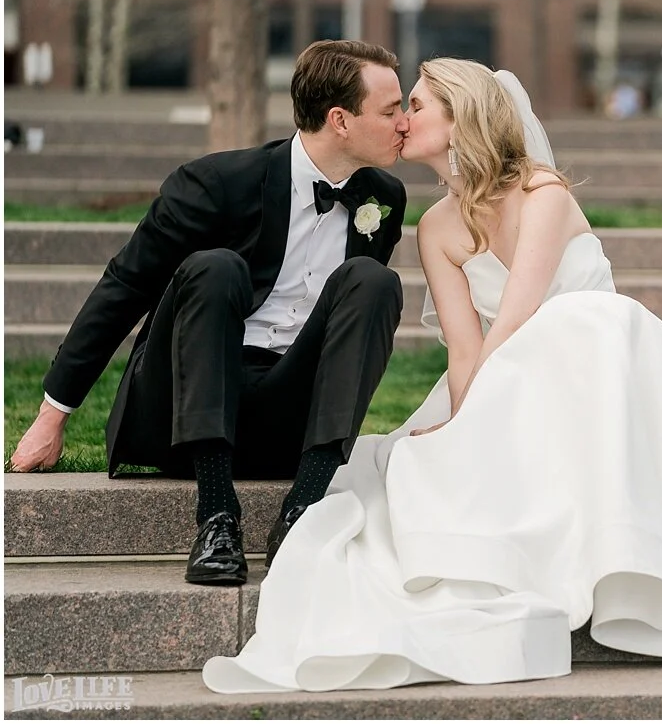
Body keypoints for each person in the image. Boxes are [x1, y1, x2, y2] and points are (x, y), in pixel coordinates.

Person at [201, 58, 662, 693]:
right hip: (510, 375)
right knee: (426, 456)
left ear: (460, 116)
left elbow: (518, 315)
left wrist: (482, 411)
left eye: (417, 105)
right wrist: (463, 423)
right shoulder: (436, 228)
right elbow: (465, 349)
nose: (402, 119)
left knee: (574, 324)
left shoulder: (541, 191)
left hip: (602, 369)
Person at [7, 40, 410, 587]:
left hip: (286, 418)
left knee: (374, 281)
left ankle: (302, 513)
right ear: (340, 120)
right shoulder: (219, 183)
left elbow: (350, 334)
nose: (404, 122)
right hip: (185, 410)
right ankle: (217, 517)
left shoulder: (383, 198)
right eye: (390, 110)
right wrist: (52, 415)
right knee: (216, 268)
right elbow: (124, 286)